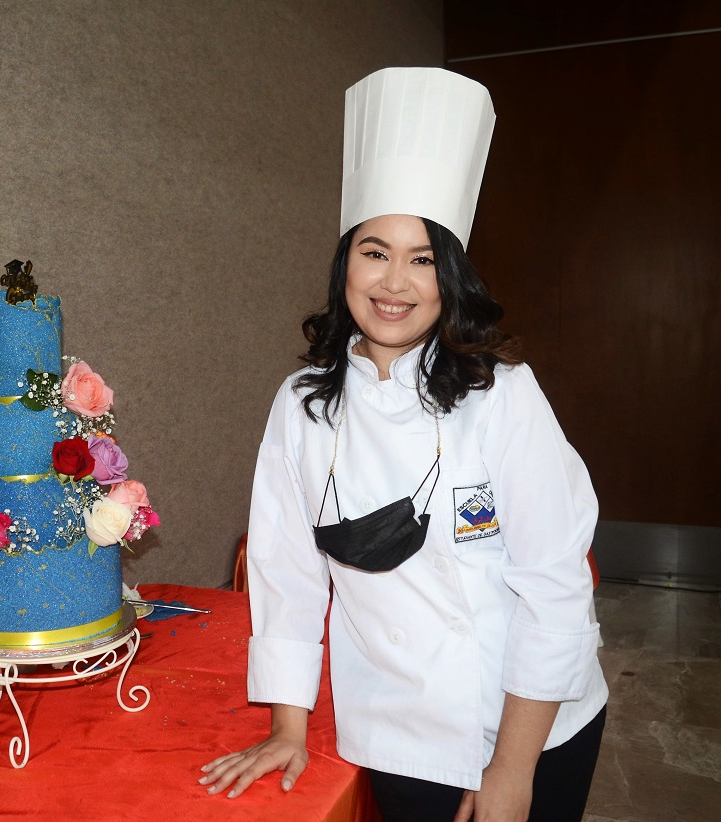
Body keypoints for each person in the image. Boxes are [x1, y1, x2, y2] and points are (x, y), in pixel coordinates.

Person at [198, 67, 608, 822]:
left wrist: (511, 773)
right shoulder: (300, 405)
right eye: (374, 251)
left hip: (531, 724)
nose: (395, 282)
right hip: (395, 728)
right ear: (343, 262)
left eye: (423, 259)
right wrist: (288, 725)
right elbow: (287, 574)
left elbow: (554, 590)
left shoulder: (501, 395)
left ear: (449, 278)